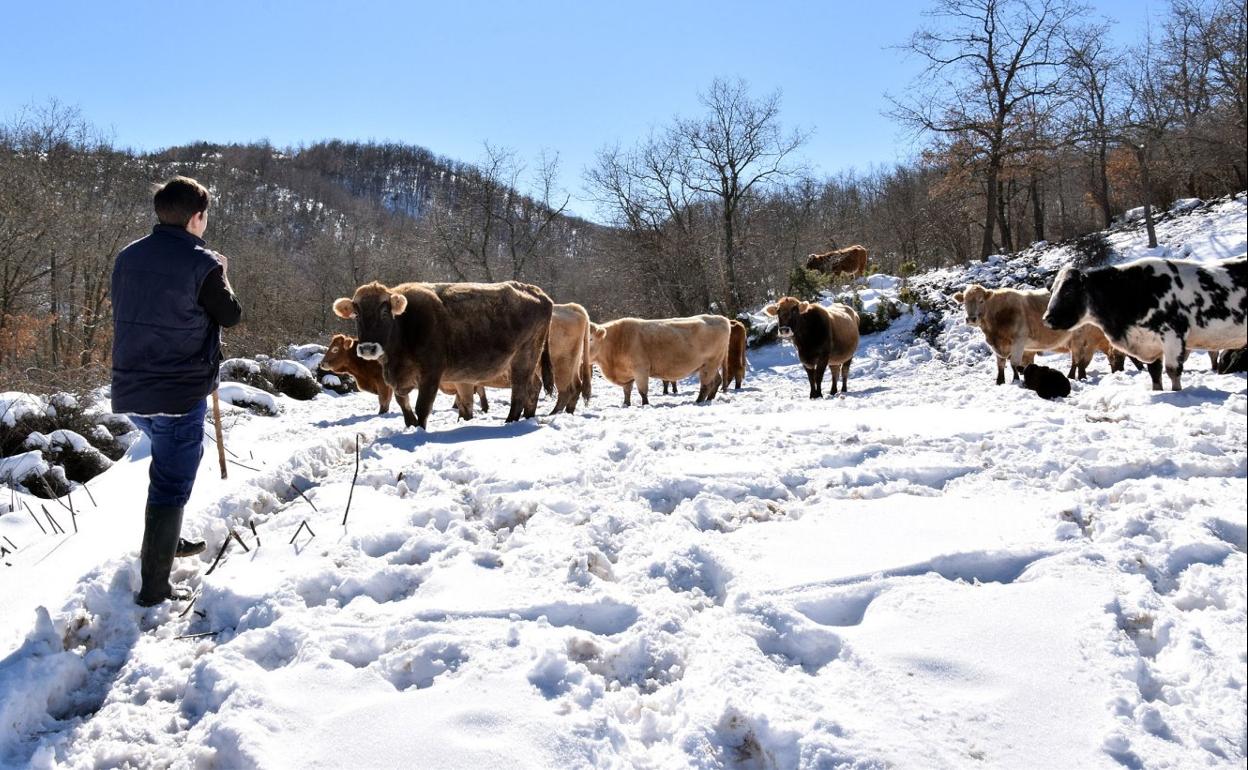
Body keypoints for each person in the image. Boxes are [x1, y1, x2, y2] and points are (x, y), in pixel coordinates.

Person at [111, 176, 242, 606]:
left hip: (132, 390)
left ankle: (167, 542)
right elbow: (230, 315)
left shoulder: (128, 257)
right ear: (197, 217)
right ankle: (153, 588)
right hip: (178, 394)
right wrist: (221, 273)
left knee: (167, 465)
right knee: (170, 483)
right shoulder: (202, 263)